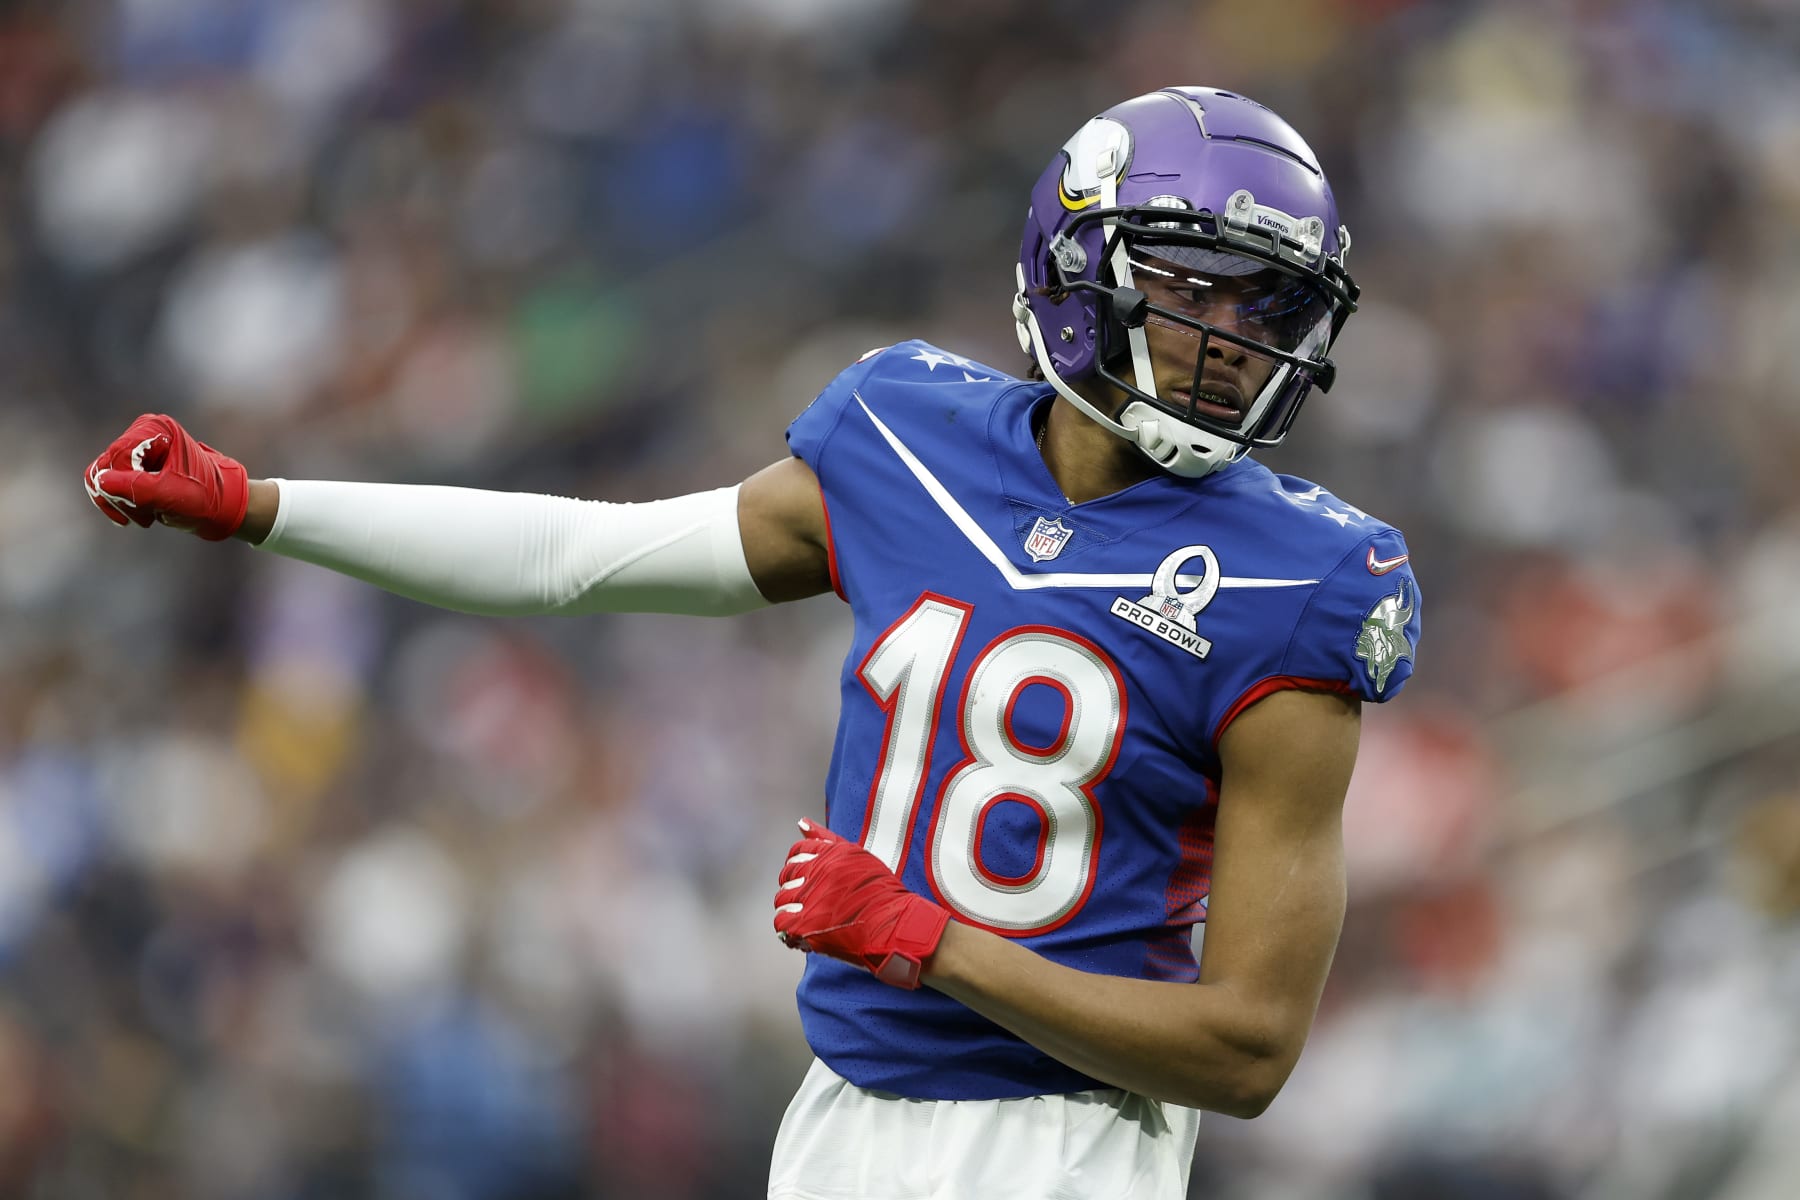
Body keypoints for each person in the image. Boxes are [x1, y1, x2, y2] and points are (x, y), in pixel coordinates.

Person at [83, 86, 1420, 1199]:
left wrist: (929, 944)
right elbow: (576, 561)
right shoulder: (906, 433)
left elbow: (1248, 1049)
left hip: (1061, 1140)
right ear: (1075, 270)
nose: (1237, 341)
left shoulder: (1300, 577)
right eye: (1204, 288)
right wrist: (259, 506)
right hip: (837, 1118)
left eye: (1267, 307)